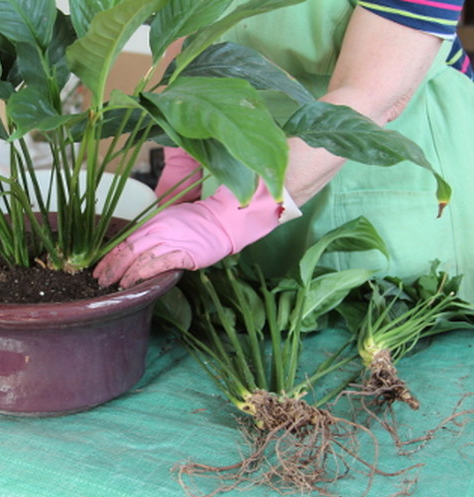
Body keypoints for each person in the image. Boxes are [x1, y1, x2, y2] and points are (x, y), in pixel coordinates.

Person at [94, 0, 474, 302]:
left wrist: (225, 219)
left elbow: (372, 99)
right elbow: (188, 26)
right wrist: (185, 157)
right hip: (252, 161)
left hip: (384, 169)